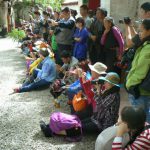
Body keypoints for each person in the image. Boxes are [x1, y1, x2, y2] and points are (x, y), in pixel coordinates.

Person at [126, 19, 150, 123]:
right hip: (144, 88)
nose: (139, 33)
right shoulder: (145, 45)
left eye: (141, 31)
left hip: (139, 90)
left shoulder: (147, 48)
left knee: (140, 121)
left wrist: (130, 84)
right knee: (146, 117)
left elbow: (140, 70)